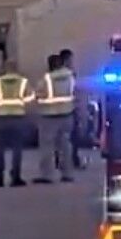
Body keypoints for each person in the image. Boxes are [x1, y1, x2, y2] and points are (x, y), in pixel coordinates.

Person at [0, 70, 35, 187]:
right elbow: (30, 98)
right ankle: (15, 177)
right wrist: (22, 106)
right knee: (17, 148)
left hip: (1, 118)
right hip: (18, 117)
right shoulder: (23, 82)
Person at [34, 54, 76, 184]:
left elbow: (39, 94)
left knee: (47, 146)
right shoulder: (70, 76)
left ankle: (47, 175)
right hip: (67, 113)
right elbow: (75, 92)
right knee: (65, 145)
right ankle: (67, 173)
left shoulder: (47, 79)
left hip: (49, 115)